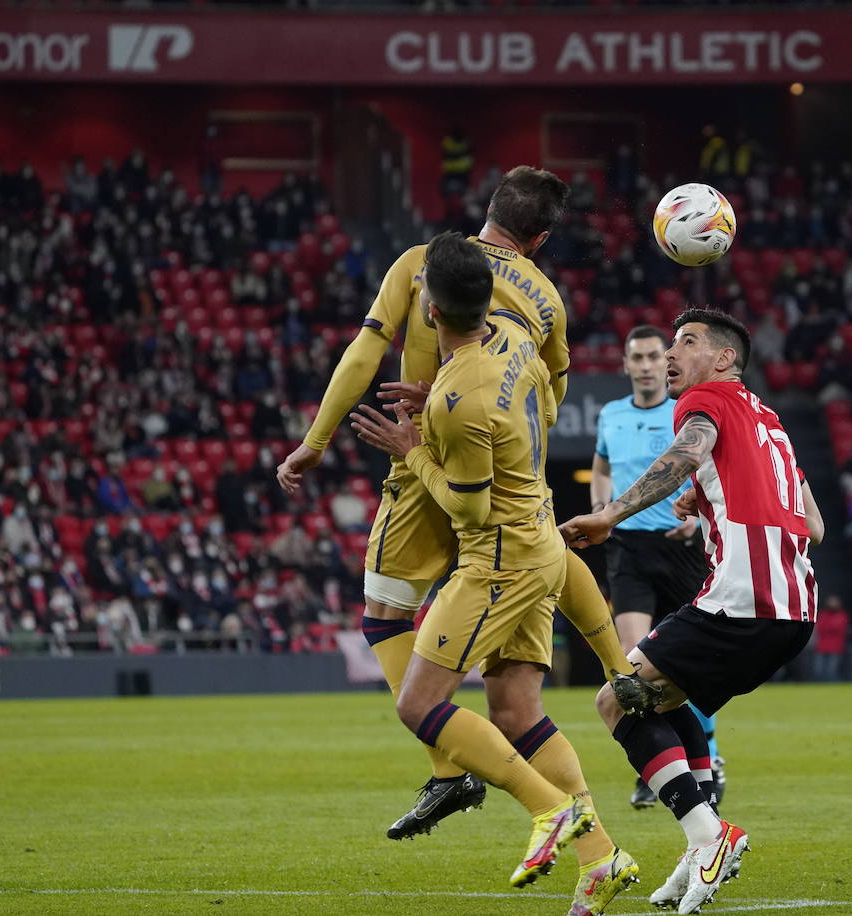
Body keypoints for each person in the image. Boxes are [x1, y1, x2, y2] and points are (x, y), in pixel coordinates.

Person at [275, 166, 635, 843]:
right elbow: (550, 403)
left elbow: (363, 354)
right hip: (512, 490)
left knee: (384, 613)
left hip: (426, 469)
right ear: (543, 237)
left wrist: (315, 441)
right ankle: (597, 834)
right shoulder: (549, 300)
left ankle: (450, 767)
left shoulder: (420, 265)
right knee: (520, 700)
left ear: (489, 209)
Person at [348, 233, 639, 913]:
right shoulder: (518, 344)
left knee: (419, 705)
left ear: (429, 310)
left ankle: (550, 810)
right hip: (539, 536)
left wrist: (414, 448)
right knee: (515, 712)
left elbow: (468, 511)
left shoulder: (458, 400)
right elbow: (515, 406)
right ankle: (602, 859)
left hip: (498, 560)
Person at [560, 308, 826, 915]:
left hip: (741, 597)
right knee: (669, 698)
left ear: (723, 359)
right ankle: (701, 841)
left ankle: (707, 835)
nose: (674, 354)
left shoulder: (704, 400)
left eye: (687, 342)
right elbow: (813, 524)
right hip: (794, 610)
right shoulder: (770, 420)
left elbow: (688, 449)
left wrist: (608, 513)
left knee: (616, 697)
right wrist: (707, 498)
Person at [591, 324, 720, 810]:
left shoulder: (682, 413)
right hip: (629, 550)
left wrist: (698, 516)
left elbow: (705, 468)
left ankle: (708, 759)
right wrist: (602, 508)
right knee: (631, 664)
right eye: (637, 357)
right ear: (625, 364)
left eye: (651, 356)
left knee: (683, 664)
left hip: (680, 546)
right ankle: (656, 771)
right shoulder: (611, 415)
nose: (646, 365)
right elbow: (601, 466)